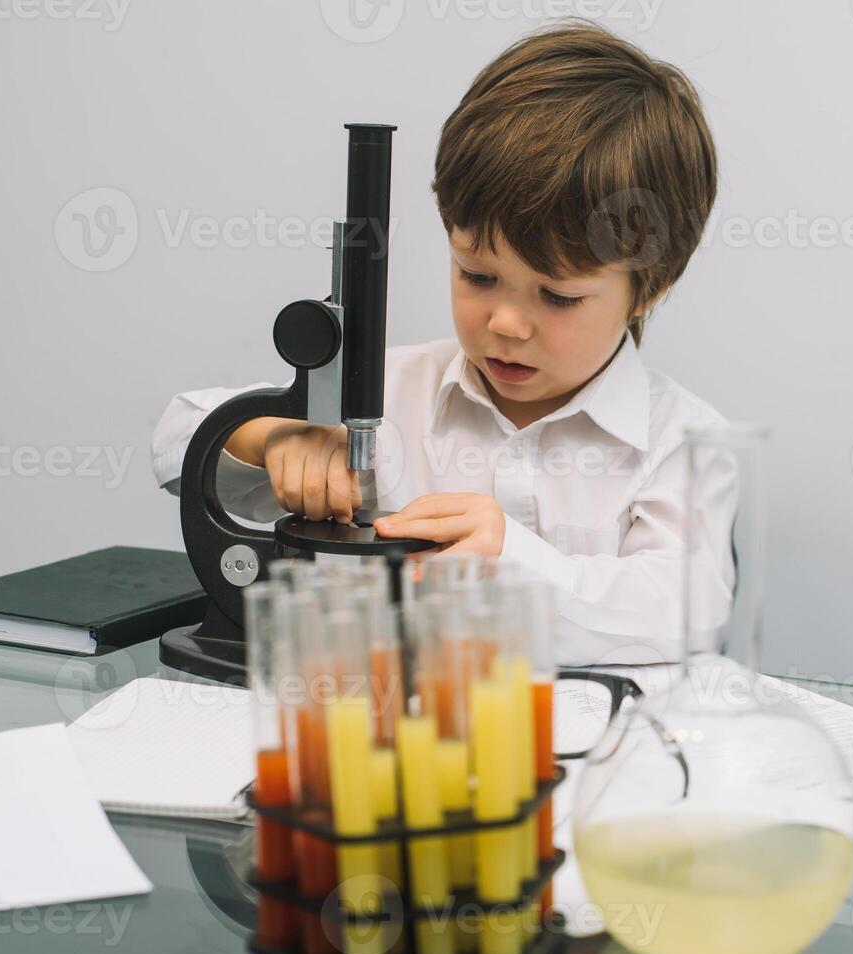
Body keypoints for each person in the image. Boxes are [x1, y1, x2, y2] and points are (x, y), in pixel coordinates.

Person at [151, 23, 729, 665]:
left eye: (558, 296)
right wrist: (272, 440)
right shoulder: (384, 394)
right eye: (477, 276)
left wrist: (511, 559)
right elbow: (177, 439)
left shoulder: (686, 442)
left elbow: (689, 610)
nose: (506, 323)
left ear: (654, 285)